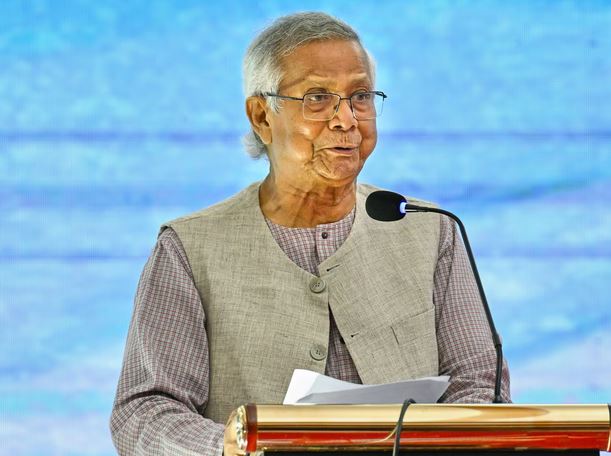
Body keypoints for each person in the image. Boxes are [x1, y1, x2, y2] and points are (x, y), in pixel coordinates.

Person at [110, 11, 511, 456]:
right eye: (318, 98)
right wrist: (233, 447)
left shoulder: (432, 230)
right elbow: (144, 411)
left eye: (360, 97)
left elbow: (478, 386)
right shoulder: (189, 249)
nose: (347, 120)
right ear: (262, 116)